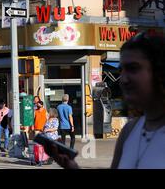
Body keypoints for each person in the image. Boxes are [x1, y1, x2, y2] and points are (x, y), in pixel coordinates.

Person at [51, 32, 165, 169]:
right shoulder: (130, 131)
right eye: (121, 70)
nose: (123, 79)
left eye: (133, 69)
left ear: (160, 72)